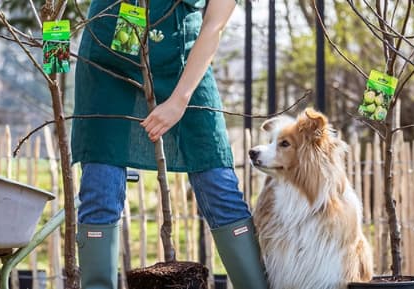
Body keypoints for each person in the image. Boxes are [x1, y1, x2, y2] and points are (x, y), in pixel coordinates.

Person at [69, 0, 268, 288]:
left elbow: (215, 23)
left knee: (218, 181)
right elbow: (54, 8)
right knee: (100, 185)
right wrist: (55, 47)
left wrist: (179, 101)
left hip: (184, 59)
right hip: (108, 57)